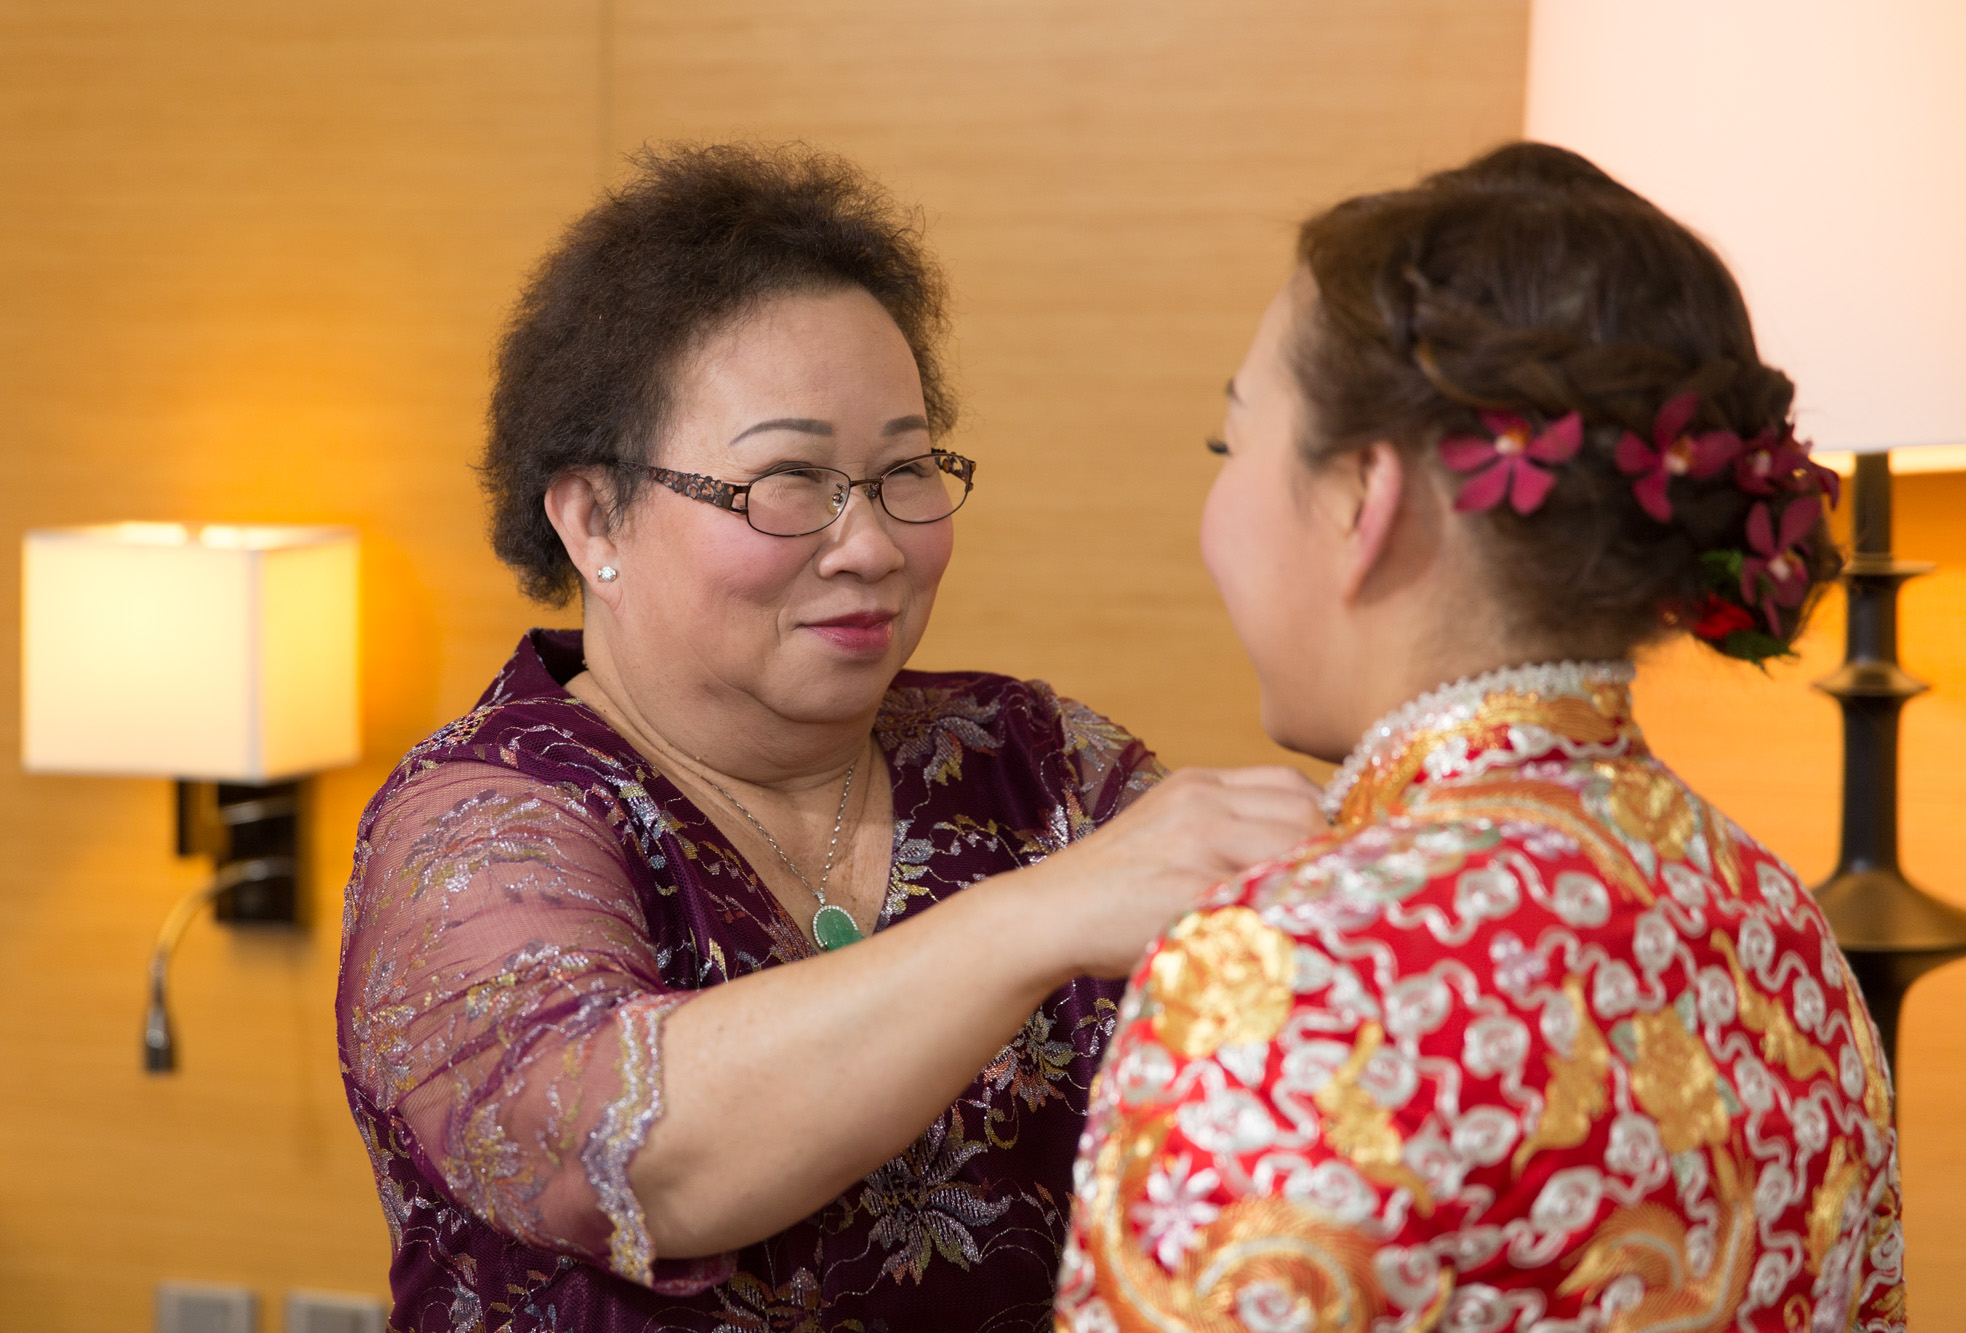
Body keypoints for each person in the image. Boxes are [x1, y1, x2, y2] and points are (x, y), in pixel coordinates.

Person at [335, 144, 1326, 1332]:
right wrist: (1032, 918)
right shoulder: (475, 826)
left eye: (904, 470)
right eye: (787, 481)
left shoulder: (1032, 757)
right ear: (593, 518)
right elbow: (631, 1158)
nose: (869, 545)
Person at [1054, 143, 1905, 1332]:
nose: (1216, 500)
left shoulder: (1288, 969)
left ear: (1361, 495)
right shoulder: (1779, 927)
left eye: (1227, 443)